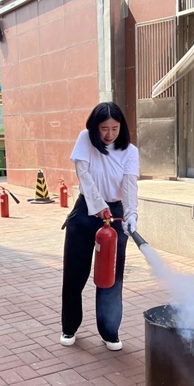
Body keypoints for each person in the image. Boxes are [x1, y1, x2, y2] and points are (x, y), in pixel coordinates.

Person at [60, 102, 140, 351]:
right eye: (104, 128)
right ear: (95, 127)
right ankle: (69, 327)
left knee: (111, 277)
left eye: (115, 128)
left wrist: (131, 214)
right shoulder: (85, 139)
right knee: (74, 273)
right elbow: (83, 175)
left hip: (114, 214)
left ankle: (109, 331)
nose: (109, 134)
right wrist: (98, 206)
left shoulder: (130, 151)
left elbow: (130, 184)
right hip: (86, 211)